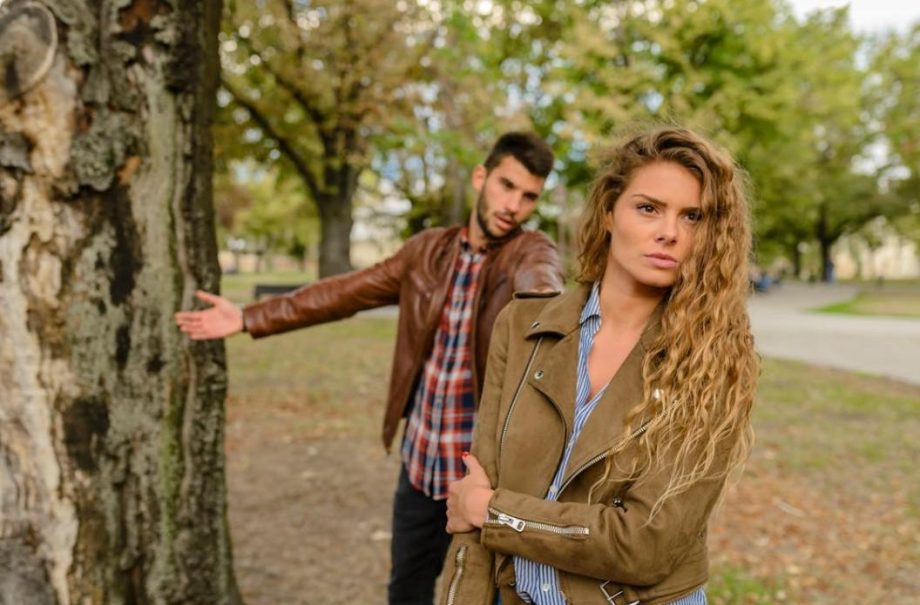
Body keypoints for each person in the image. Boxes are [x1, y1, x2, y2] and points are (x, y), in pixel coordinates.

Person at [174, 132, 564, 605]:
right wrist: (248, 317)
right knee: (406, 591)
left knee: (493, 597)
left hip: (485, 478)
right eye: (507, 186)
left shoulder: (530, 251)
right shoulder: (425, 252)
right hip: (421, 465)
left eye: (528, 197)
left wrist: (548, 312)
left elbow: (543, 290)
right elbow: (345, 292)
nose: (514, 206)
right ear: (481, 177)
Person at [441, 127, 759, 605]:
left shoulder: (716, 359)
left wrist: (495, 513)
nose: (669, 233)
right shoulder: (521, 326)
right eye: (648, 208)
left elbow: (643, 545)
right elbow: (473, 502)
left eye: (692, 216)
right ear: (610, 212)